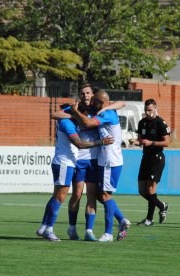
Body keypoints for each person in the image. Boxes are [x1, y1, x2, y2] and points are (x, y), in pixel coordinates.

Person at [52, 83, 125, 241]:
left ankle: (89, 231)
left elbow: (121, 103)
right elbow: (55, 115)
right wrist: (73, 114)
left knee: (92, 196)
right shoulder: (74, 107)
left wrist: (104, 108)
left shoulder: (98, 109)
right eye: (82, 93)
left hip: (95, 159)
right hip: (79, 158)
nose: (85, 95)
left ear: (93, 96)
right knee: (77, 194)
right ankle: (72, 228)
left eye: (88, 93)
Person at [36, 117, 114, 242]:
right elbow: (79, 143)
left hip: (87, 161)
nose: (85, 97)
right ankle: (60, 229)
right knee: (70, 195)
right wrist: (101, 142)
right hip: (73, 161)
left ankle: (87, 231)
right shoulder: (69, 120)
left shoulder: (94, 116)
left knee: (88, 196)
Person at [71, 90, 131, 242]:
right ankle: (122, 220)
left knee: (105, 195)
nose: (91, 103)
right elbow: (119, 103)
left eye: (94, 101)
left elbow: (87, 123)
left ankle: (108, 233)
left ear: (99, 102)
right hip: (104, 160)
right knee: (99, 195)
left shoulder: (107, 114)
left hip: (109, 160)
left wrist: (75, 112)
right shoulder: (105, 110)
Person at [135, 99, 171, 226]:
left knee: (151, 190)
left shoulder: (161, 123)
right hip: (145, 158)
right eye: (146, 110)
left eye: (150, 110)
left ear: (155, 108)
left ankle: (149, 219)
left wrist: (152, 143)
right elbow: (140, 137)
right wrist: (138, 141)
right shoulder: (142, 123)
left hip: (157, 158)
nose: (148, 113)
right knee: (141, 190)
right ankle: (162, 206)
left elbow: (167, 142)